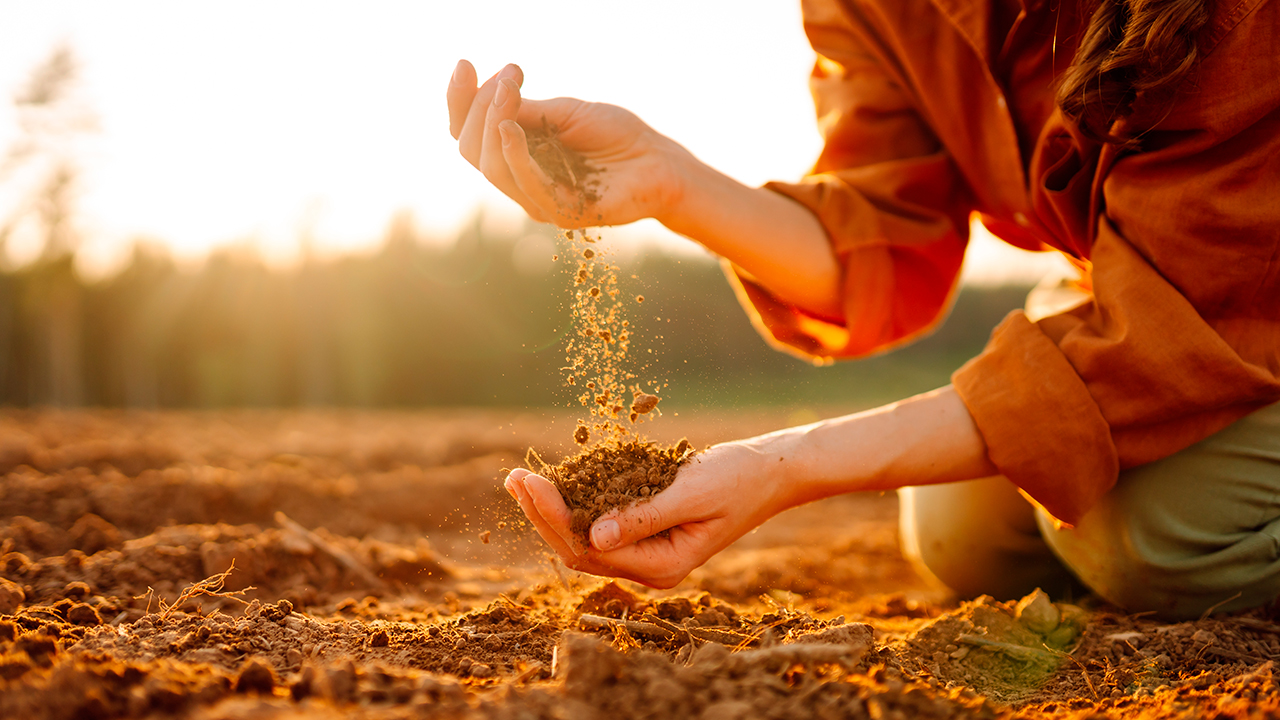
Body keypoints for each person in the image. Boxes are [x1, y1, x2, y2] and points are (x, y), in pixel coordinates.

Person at [448, 0, 1280, 620]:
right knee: (963, 528)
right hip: (1137, 275)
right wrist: (672, 181)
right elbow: (885, 231)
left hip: (1242, 284)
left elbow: (1199, 298)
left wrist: (787, 465)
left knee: (1159, 535)